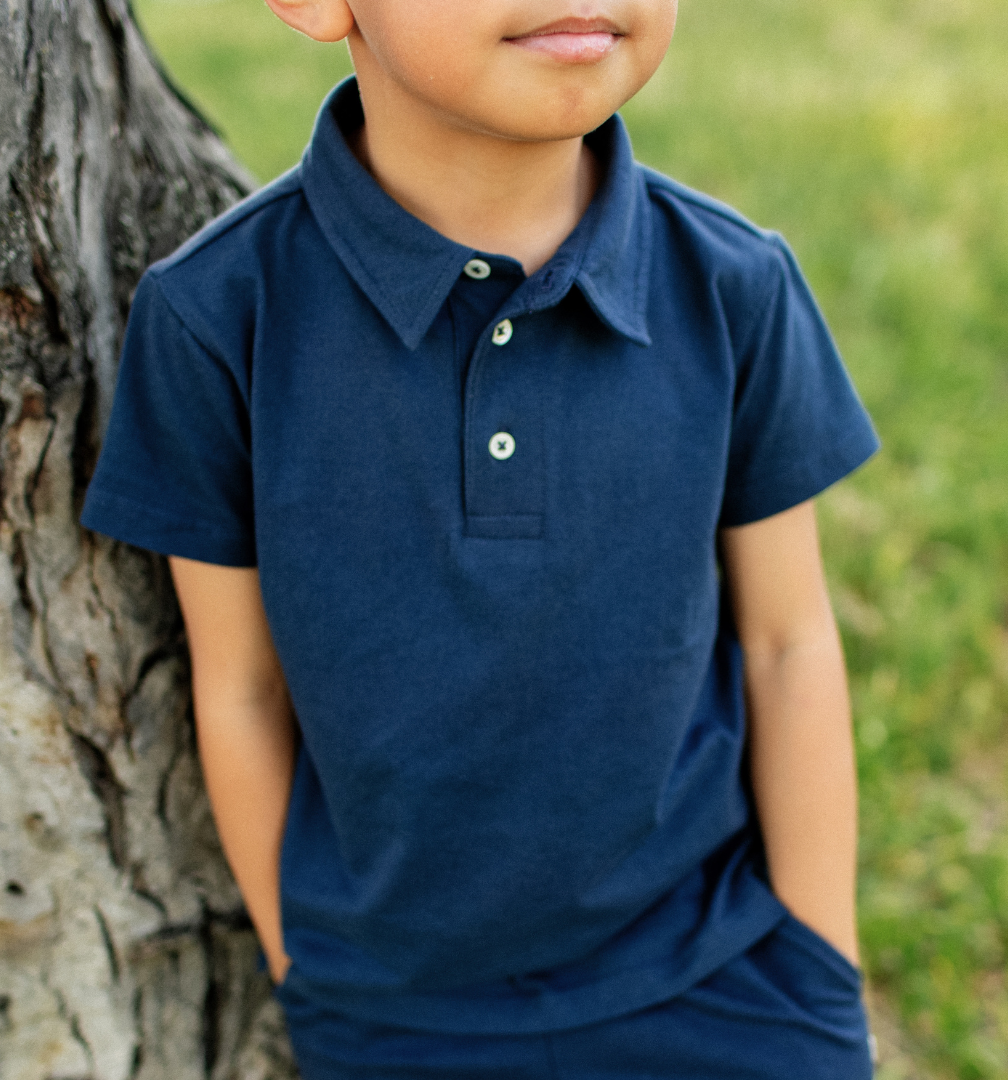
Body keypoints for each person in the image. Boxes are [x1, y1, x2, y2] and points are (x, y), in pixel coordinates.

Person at [81, 1, 880, 1076]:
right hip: (394, 1022)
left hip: (730, 989)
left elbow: (790, 646)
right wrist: (306, 972)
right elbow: (239, 690)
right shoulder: (219, 318)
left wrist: (821, 967)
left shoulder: (734, 286)